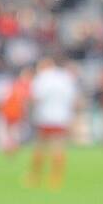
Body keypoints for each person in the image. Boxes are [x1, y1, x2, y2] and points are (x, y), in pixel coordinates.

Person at [27, 55, 79, 189]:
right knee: (59, 147)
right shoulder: (65, 78)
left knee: (40, 147)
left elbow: (36, 98)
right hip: (61, 117)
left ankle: (35, 176)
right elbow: (73, 99)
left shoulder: (42, 78)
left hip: (45, 116)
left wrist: (29, 111)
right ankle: (55, 178)